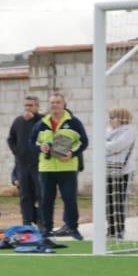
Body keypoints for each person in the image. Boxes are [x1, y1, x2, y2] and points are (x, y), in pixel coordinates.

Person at [37, 92, 88, 239]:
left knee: (70, 199)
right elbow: (32, 142)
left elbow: (83, 142)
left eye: (57, 102)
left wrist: (72, 153)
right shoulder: (41, 123)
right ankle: (46, 229)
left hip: (67, 167)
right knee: (47, 200)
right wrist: (41, 147)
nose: (54, 105)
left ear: (64, 104)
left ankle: (72, 228)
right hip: (47, 168)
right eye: (52, 102)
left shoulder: (73, 122)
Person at [7, 95, 43, 225]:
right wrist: (18, 153)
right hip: (23, 165)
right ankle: (27, 222)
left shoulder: (43, 121)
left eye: (31, 105)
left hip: (39, 165)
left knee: (41, 194)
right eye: (26, 105)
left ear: (37, 107)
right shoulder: (18, 121)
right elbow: (11, 139)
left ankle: (41, 222)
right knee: (25, 196)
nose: (28, 108)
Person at [105, 106, 135, 241]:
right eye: (110, 118)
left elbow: (116, 146)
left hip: (123, 170)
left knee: (119, 200)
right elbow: (103, 146)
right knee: (109, 200)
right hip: (107, 169)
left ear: (121, 118)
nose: (110, 121)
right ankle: (110, 228)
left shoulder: (129, 131)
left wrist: (108, 146)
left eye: (113, 117)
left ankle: (119, 229)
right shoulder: (107, 131)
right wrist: (109, 147)